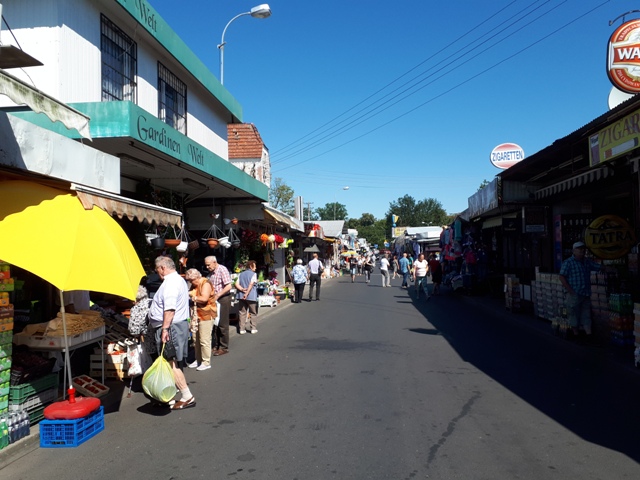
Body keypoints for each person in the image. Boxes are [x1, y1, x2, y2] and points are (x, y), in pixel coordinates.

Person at [148, 256, 194, 409]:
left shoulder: (171, 283)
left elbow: (169, 308)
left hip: (170, 327)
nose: (157, 273)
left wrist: (165, 329)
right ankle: (170, 395)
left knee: (170, 362)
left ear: (162, 268)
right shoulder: (177, 280)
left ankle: (187, 395)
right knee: (171, 362)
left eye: (157, 270)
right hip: (172, 326)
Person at [559, 241, 603, 338]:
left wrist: (612, 269)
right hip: (574, 293)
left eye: (583, 248)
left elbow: (599, 267)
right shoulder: (568, 262)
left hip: (585, 293)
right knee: (573, 314)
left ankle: (589, 335)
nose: (582, 250)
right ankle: (576, 335)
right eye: (579, 249)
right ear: (573, 251)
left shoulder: (587, 261)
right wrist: (570, 290)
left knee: (586, 314)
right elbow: (562, 276)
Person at [184, 268, 216, 371]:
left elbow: (204, 298)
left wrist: (194, 297)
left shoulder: (205, 283)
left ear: (197, 277)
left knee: (204, 339)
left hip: (206, 314)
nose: (191, 283)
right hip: (197, 315)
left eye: (192, 280)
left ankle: (206, 362)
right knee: (195, 339)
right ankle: (198, 359)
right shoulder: (195, 285)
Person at [205, 255, 232, 356]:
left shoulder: (222, 269)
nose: (207, 267)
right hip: (214, 299)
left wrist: (217, 295)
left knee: (222, 324)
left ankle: (223, 347)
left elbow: (228, 286)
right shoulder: (211, 273)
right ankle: (216, 345)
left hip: (223, 298)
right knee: (215, 324)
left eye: (208, 265)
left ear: (214, 262)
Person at [127, 285, 156, 357]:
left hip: (149, 343)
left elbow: (134, 330)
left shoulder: (137, 308)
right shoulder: (153, 302)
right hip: (162, 338)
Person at [236, 260, 258, 334]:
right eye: (254, 266)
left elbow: (236, 284)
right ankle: (253, 328)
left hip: (241, 295)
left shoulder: (241, 274)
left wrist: (242, 289)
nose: (256, 268)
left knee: (242, 312)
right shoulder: (253, 274)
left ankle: (241, 329)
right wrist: (247, 293)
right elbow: (251, 284)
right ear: (251, 266)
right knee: (253, 312)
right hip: (251, 296)